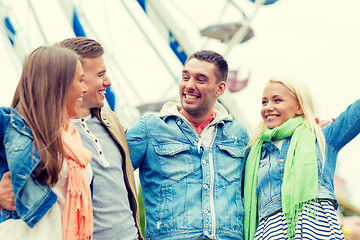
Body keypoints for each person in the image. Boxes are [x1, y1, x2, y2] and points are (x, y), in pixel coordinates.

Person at [126, 50, 250, 240]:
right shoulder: (149, 129)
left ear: (220, 88)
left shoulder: (238, 135)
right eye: (185, 77)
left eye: (200, 79)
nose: (189, 85)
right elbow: (109, 178)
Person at [243, 77, 360, 240]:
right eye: (264, 102)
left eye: (277, 100)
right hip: (270, 233)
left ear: (299, 106)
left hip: (318, 230)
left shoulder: (322, 137)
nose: (268, 107)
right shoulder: (255, 152)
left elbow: (355, 114)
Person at [54, 37, 143, 240]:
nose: (108, 82)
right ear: (76, 77)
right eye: (101, 74)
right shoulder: (45, 133)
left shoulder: (110, 121)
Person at [0, 46, 92, 240]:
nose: (85, 88)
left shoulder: (71, 136)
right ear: (59, 84)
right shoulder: (10, 127)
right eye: (81, 80)